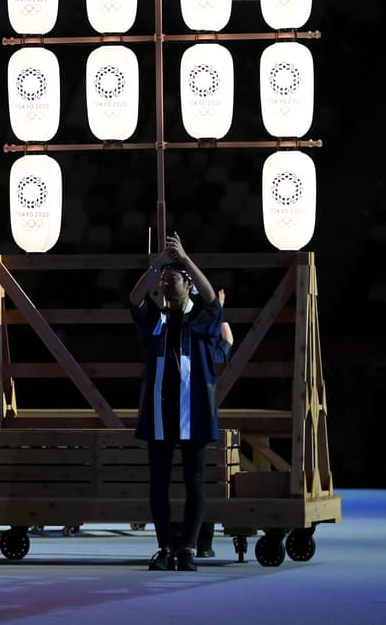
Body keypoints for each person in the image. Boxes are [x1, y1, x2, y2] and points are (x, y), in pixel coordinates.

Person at [128, 233, 228, 572]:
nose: (168, 280)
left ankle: (187, 548)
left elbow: (213, 300)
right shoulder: (157, 320)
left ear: (188, 284)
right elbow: (134, 299)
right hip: (159, 413)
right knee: (158, 483)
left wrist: (184, 259)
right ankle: (164, 547)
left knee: (194, 481)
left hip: (194, 412)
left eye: (175, 276)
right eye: (164, 277)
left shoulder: (202, 319)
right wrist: (156, 265)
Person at [196, 288, 235, 559]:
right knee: (202, 481)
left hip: (179, 423)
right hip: (202, 423)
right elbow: (228, 338)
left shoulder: (181, 344)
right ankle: (204, 544)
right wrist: (219, 308)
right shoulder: (210, 353)